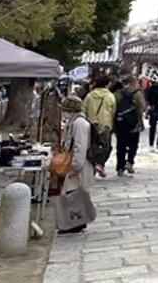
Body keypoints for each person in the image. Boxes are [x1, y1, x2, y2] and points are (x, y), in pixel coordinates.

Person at [58, 95, 95, 234]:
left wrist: (75, 166)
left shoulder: (79, 124)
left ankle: (76, 223)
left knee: (74, 194)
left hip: (80, 164)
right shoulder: (76, 122)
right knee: (74, 193)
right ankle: (78, 222)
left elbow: (80, 146)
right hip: (76, 162)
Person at [82, 76, 116, 178]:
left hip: (91, 124)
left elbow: (84, 109)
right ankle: (100, 164)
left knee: (91, 146)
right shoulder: (110, 96)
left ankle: (92, 165)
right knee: (105, 146)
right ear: (107, 84)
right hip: (105, 124)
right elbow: (113, 111)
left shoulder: (90, 96)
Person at [114, 76, 147, 176]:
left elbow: (113, 107)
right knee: (133, 144)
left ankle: (120, 167)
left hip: (120, 123)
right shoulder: (137, 93)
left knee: (121, 146)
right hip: (134, 123)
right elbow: (143, 106)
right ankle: (130, 162)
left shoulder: (117, 93)